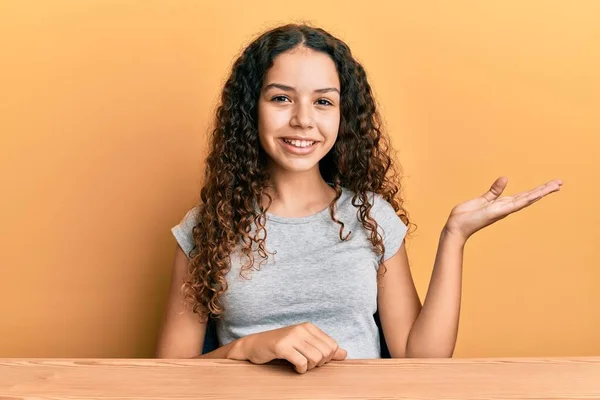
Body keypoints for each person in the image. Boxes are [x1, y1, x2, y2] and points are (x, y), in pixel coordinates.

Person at [155, 23, 562, 374]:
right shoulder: (207, 226)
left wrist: (454, 236)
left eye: (323, 101)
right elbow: (169, 373)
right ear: (250, 111)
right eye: (281, 98)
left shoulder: (371, 217)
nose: (303, 119)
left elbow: (421, 359)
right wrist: (243, 350)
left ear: (342, 116)